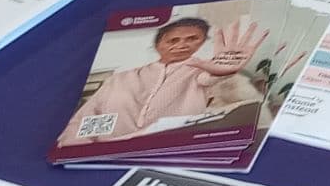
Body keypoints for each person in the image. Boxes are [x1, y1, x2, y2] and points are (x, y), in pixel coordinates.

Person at [58, 18, 267, 145]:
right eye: (173, 40)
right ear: (159, 46)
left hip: (165, 149)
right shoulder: (121, 78)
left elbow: (210, 78)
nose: (182, 45)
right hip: (106, 151)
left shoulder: (199, 72)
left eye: (192, 38)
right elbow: (84, 119)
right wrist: (80, 147)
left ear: (203, 42)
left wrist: (225, 70)